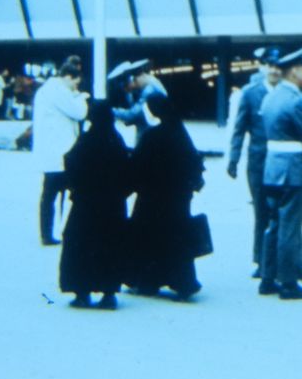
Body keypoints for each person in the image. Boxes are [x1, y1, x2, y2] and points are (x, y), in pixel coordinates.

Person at [259, 48, 302, 300]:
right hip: (293, 168)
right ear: (296, 71)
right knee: (290, 225)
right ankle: (288, 283)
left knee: (274, 224)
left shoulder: (270, 97)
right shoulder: (297, 100)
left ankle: (267, 278)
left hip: (272, 167)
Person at [126, 93, 206, 300]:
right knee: (176, 239)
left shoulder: (152, 135)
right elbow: (193, 162)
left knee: (148, 238)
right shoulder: (180, 133)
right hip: (177, 197)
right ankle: (182, 282)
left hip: (152, 198)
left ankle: (147, 281)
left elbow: (137, 165)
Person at [60, 99, 134, 310]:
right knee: (110, 246)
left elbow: (71, 163)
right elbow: (128, 172)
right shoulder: (116, 140)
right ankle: (109, 293)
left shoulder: (87, 140)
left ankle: (82, 292)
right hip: (112, 205)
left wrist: (77, 188)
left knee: (82, 245)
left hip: (87, 205)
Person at [228, 47, 281, 278]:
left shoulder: (287, 92)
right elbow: (239, 129)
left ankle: (291, 262)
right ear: (263, 67)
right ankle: (261, 261)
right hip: (258, 161)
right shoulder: (250, 93)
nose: (274, 70)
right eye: (270, 65)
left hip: (282, 161)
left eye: (278, 66)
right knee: (262, 212)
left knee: (284, 213)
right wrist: (233, 159)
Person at [31, 57, 88, 245]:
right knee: (72, 195)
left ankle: (46, 234)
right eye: (75, 83)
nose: (75, 87)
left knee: (48, 196)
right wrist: (81, 97)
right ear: (68, 77)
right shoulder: (59, 91)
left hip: (50, 154)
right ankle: (66, 232)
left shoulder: (45, 90)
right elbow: (79, 113)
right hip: (61, 154)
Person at [110, 60, 167, 144]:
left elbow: (132, 114)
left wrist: (111, 111)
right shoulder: (147, 86)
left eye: (126, 85)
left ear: (134, 79)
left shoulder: (149, 90)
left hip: (155, 134)